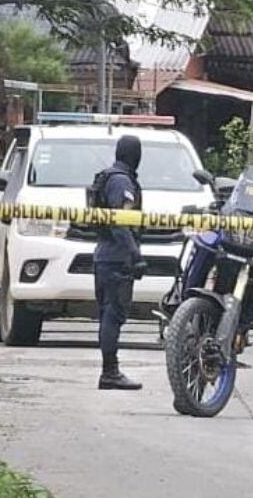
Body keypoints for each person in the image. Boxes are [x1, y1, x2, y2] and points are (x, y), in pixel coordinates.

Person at [93, 135, 147, 390]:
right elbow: (121, 221)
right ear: (135, 155)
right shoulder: (122, 181)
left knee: (107, 315)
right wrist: (134, 254)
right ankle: (110, 372)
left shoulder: (108, 177)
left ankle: (109, 370)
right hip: (116, 258)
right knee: (113, 316)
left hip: (104, 254)